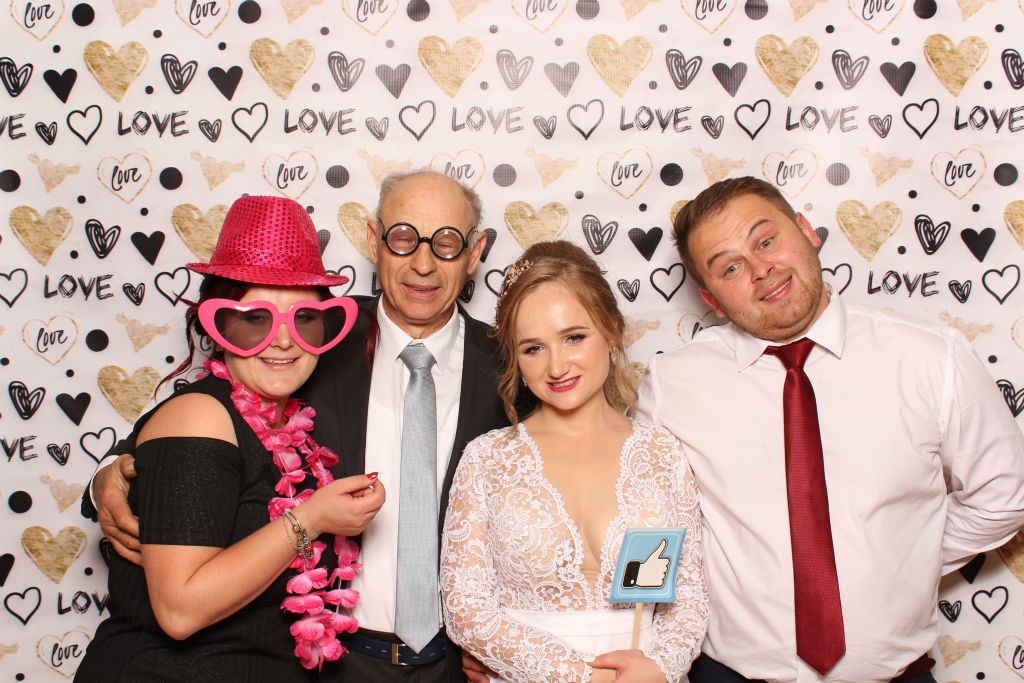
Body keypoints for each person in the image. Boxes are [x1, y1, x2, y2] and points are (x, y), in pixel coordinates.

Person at [84, 170, 509, 682]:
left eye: (446, 243)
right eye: (403, 238)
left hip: (456, 664)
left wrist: (506, 637)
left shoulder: (514, 362)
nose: (422, 263)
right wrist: (111, 470)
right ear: (374, 241)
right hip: (329, 660)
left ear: (475, 252)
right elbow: (197, 418)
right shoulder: (317, 332)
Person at [636, 176, 1024, 683]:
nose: (760, 269)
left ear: (805, 230)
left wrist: (909, 555)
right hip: (729, 674)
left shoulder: (931, 356)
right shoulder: (671, 384)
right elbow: (647, 527)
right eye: (730, 267)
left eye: (766, 241)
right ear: (712, 299)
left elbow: (1003, 495)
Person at [76, 195, 386, 681]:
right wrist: (311, 518)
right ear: (217, 324)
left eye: (304, 319)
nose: (283, 339)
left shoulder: (290, 421)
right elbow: (179, 610)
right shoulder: (201, 415)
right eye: (255, 318)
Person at [441, 240, 708, 683]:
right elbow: (466, 610)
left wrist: (661, 668)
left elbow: (690, 596)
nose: (557, 366)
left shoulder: (663, 453)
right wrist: (583, 678)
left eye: (574, 338)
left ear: (611, 330)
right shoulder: (486, 459)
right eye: (533, 348)